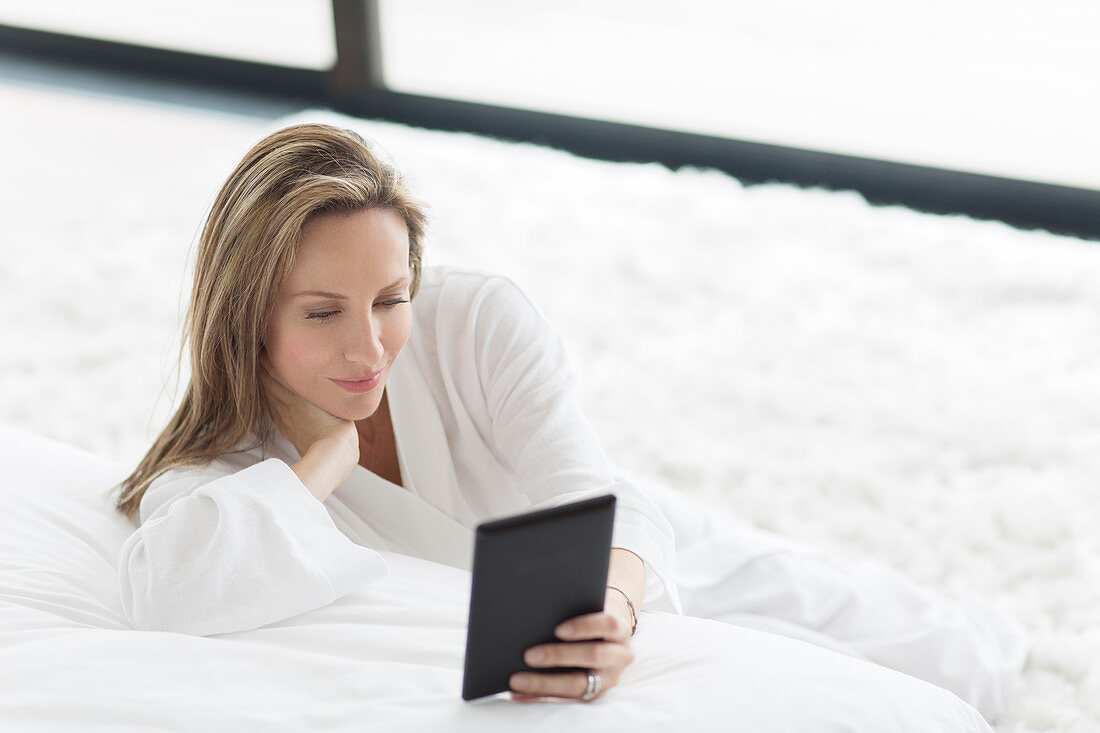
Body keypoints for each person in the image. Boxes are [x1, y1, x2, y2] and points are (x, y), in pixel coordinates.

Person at [112, 123, 1026, 717]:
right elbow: (171, 591)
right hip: (549, 632)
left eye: (390, 298)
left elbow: (598, 499)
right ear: (245, 314)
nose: (370, 349)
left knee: (955, 653)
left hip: (630, 563)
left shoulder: (475, 321)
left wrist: (617, 606)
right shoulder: (228, 466)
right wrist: (321, 460)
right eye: (322, 312)